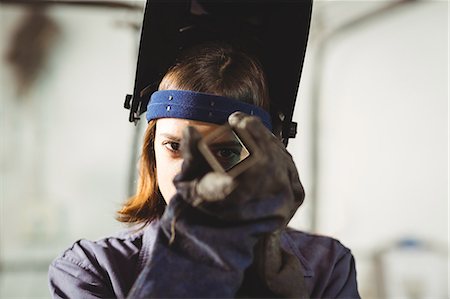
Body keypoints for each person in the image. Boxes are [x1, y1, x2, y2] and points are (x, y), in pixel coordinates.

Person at [48, 42, 360, 298]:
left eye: (224, 151)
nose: (189, 173)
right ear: (151, 151)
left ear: (265, 156)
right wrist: (195, 263)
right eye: (174, 146)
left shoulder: (327, 267)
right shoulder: (91, 269)